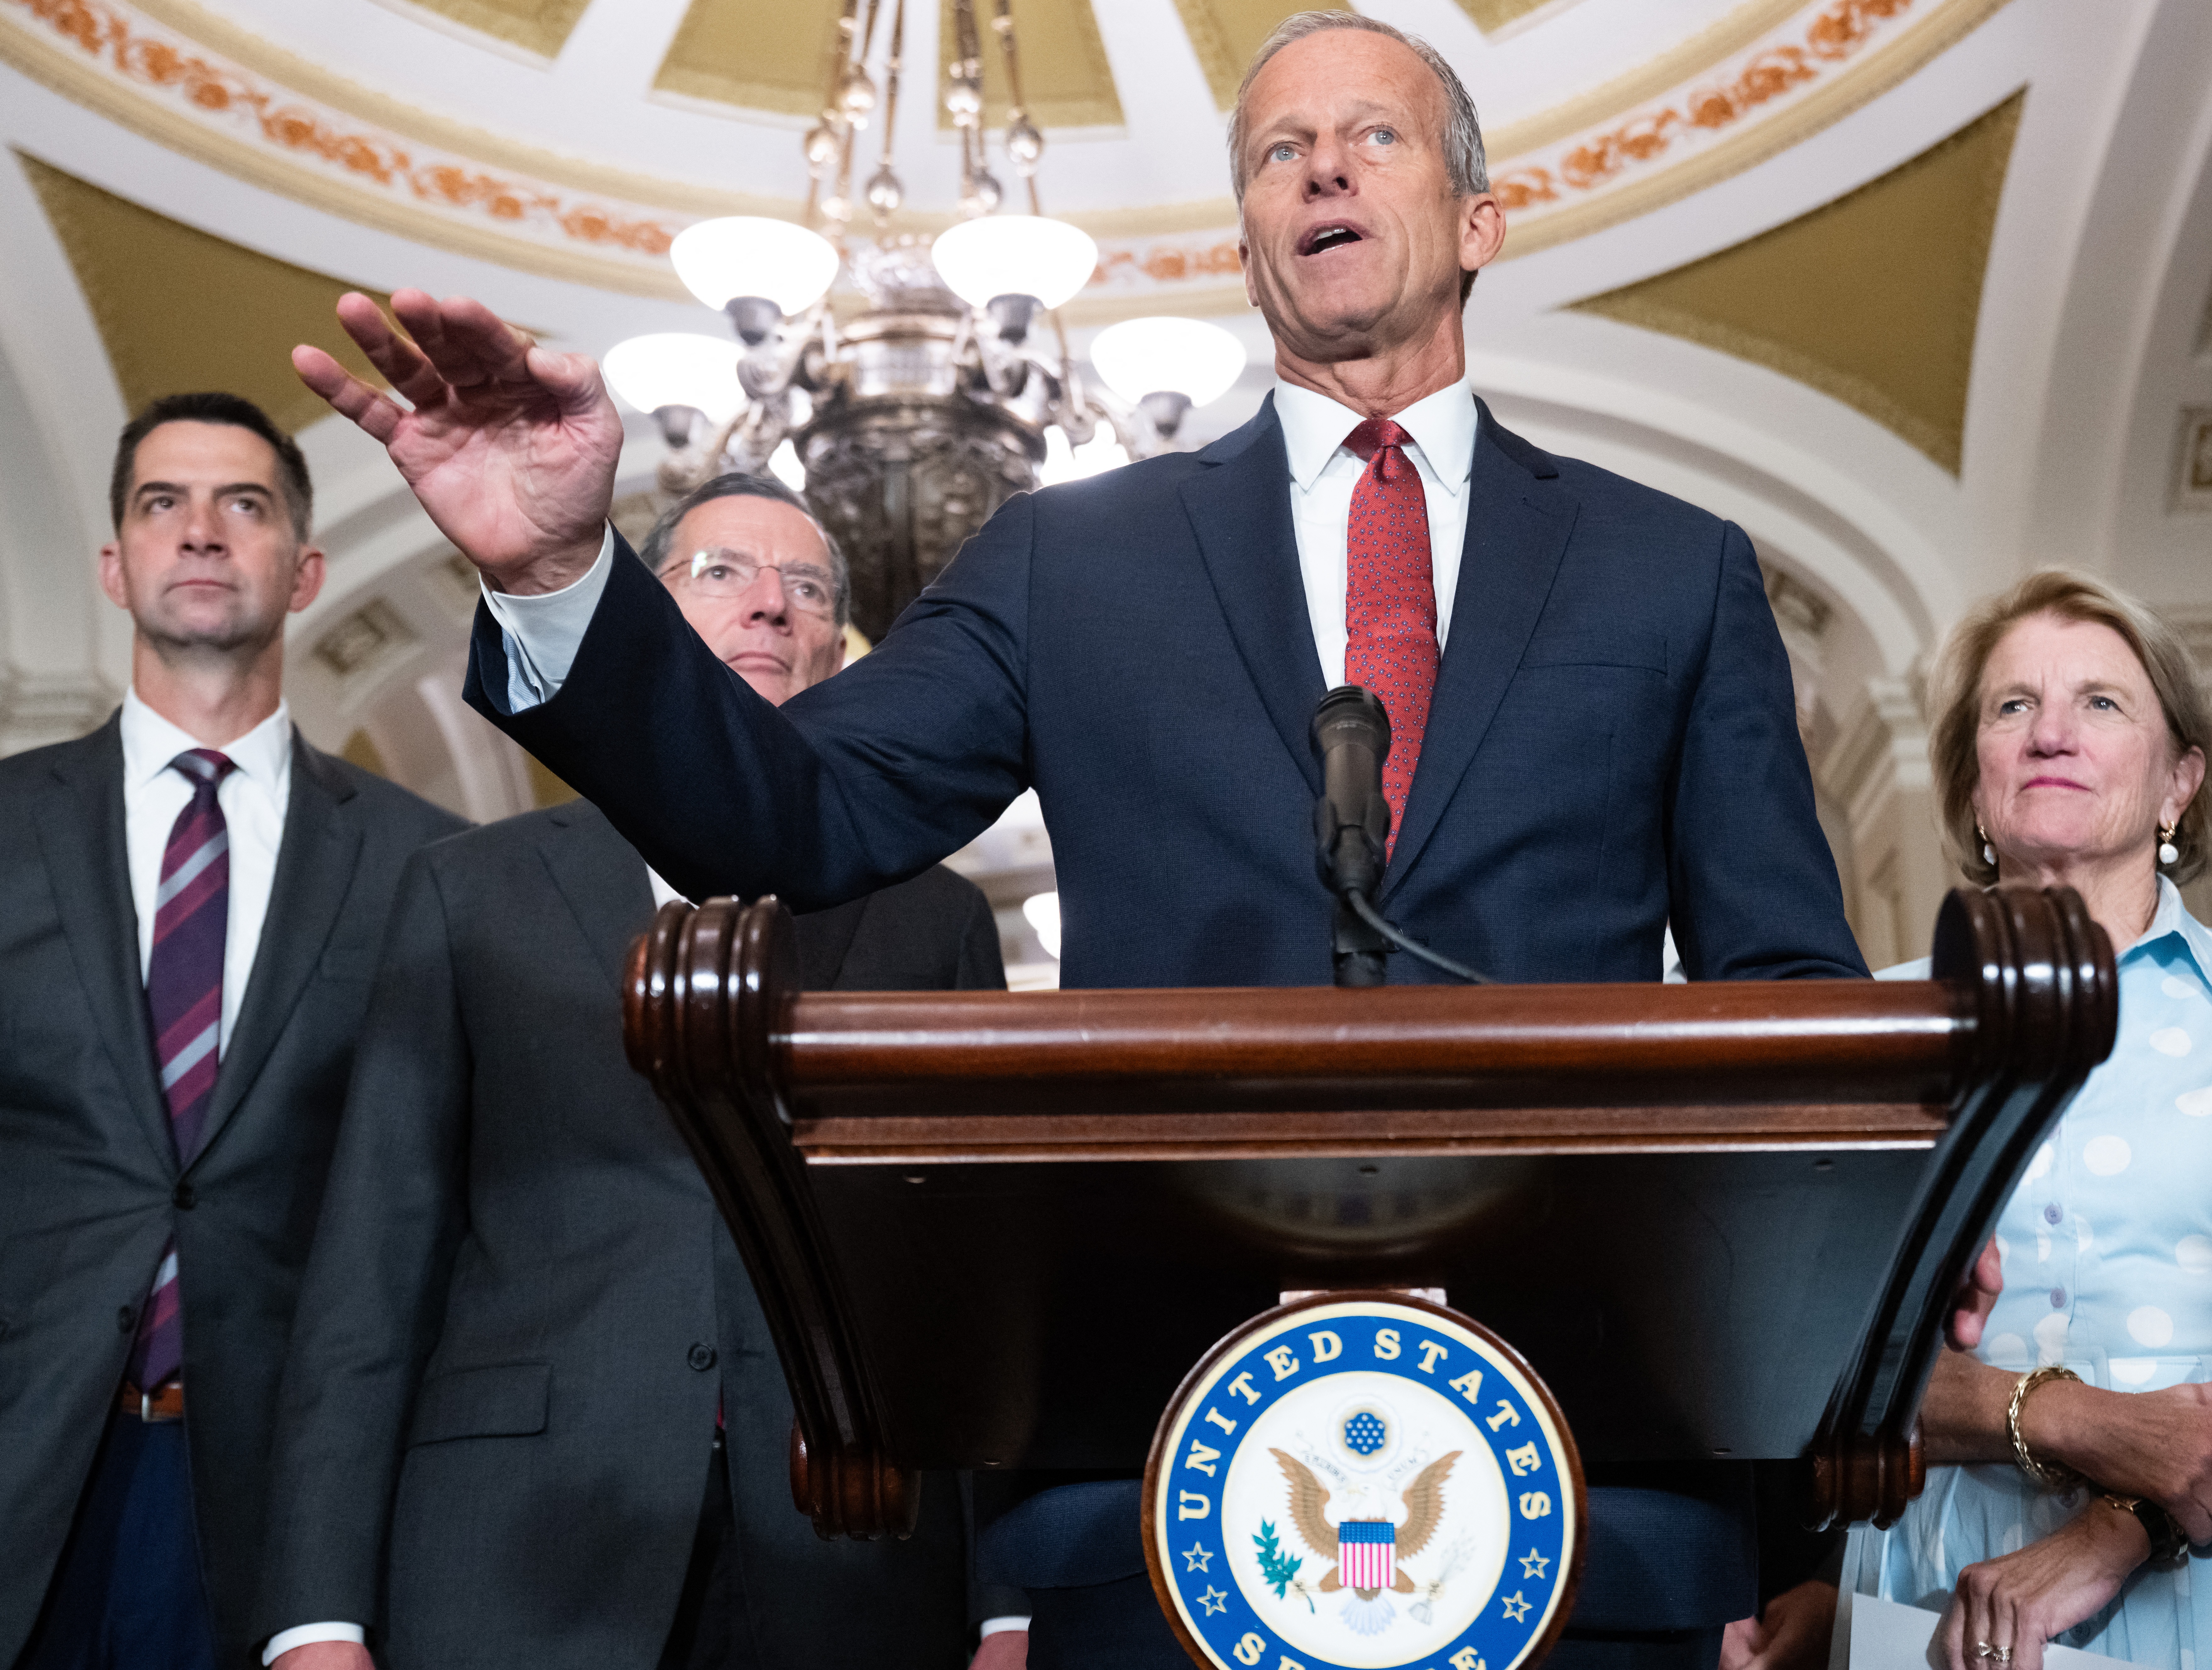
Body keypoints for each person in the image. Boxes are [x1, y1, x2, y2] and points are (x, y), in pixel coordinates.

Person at [295, 12, 1867, 1663]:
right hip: (1166, 1473)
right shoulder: (1072, 558)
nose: (1321, 164)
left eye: (1374, 137)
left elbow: (1795, 1010)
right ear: (1250, 241)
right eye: (1278, 150)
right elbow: (788, 813)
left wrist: (1800, 1428)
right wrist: (557, 575)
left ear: (1481, 220)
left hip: (1579, 1460)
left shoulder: (1670, 569)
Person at [253, 473, 1009, 1670]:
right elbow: (374, 1258)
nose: (768, 604)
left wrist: (1006, 1600)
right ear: (644, 618)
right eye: (722, 574)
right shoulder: (470, 891)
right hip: (519, 1548)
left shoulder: (937, 919)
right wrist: (316, 1611)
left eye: (805, 586)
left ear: (835, 644)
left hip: (853, 1557)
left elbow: (976, 1276)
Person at [0, 393, 463, 1670]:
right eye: (164, 504)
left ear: (306, 569)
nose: (202, 532)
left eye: (243, 505)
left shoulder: (433, 869)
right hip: (27, 1466)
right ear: (115, 565)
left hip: (285, 1504)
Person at [1832, 571, 2212, 1670]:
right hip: (1918, 1611)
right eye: (2012, 708)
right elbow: (1803, 1359)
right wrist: (2066, 1419)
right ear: (1971, 786)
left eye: (2101, 703)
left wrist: (2116, 1532)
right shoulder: (1865, 1030)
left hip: (2204, 1594)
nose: (2050, 731)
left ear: (2177, 783)